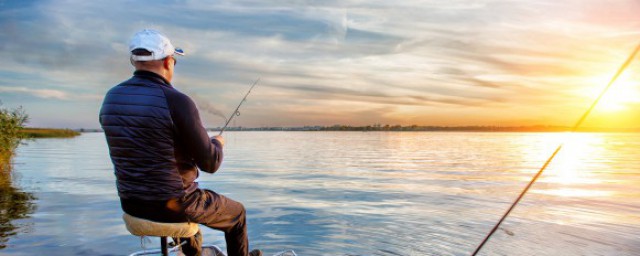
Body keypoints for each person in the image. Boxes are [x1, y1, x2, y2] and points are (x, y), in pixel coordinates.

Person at [99, 29, 261, 256]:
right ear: (168, 61)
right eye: (174, 60)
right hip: (173, 205)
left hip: (131, 203)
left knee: (185, 193)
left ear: (133, 60)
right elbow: (210, 163)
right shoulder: (177, 101)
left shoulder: (111, 98)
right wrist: (218, 144)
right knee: (236, 214)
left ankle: (192, 253)